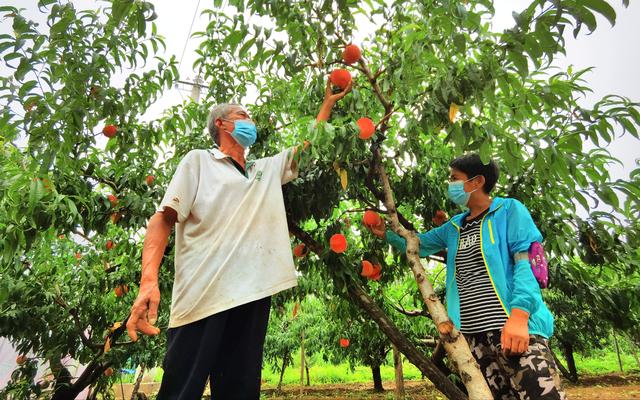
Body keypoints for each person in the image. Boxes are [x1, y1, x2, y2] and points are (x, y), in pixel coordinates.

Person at [125, 78, 352, 399]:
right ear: (221, 123)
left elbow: (308, 148)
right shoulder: (199, 161)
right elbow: (162, 219)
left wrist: (327, 105)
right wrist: (148, 280)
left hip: (252, 296)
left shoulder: (265, 170)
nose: (251, 122)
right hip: (203, 296)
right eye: (243, 115)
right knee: (180, 391)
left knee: (240, 392)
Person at [368, 153, 566, 400]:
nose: (450, 184)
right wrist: (386, 234)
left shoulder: (509, 210)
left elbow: (525, 263)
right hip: (474, 340)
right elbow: (419, 244)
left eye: (455, 178)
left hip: (512, 328)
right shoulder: (454, 226)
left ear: (477, 181)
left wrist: (519, 315)